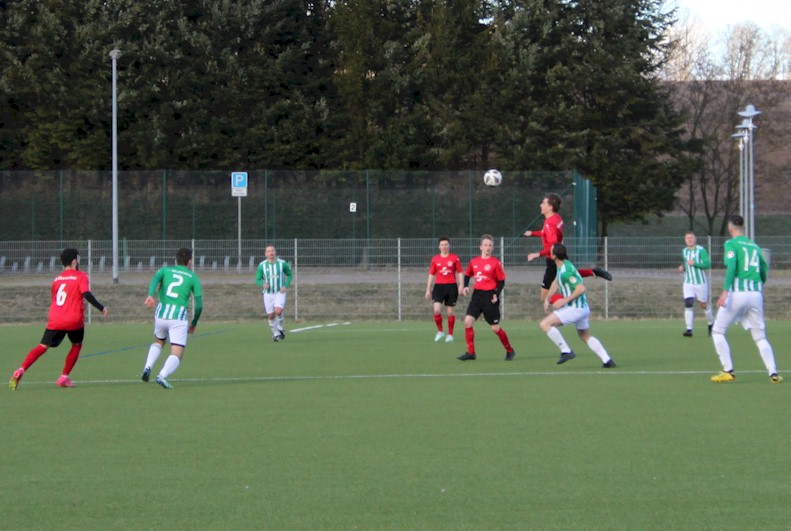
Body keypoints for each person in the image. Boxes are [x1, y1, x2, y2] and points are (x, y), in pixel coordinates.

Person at [9, 248, 109, 390]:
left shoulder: (57, 279)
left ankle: (21, 369)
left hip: (56, 319)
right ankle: (64, 377)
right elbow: (86, 294)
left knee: (42, 346)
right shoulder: (81, 276)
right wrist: (101, 308)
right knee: (76, 345)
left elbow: (57, 300)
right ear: (74, 261)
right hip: (73, 320)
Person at [710, 214, 781, 384]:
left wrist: (725, 291)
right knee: (760, 337)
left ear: (730, 228)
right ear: (743, 228)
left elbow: (732, 267)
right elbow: (763, 271)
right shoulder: (755, 246)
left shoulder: (731, 244)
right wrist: (758, 287)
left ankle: (728, 371)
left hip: (738, 294)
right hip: (756, 295)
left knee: (718, 331)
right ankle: (773, 373)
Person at [540, 244, 616, 368]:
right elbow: (556, 282)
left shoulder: (566, 272)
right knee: (585, 336)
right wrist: (547, 298)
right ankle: (607, 360)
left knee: (545, 324)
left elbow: (581, 288)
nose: (549, 252)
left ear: (554, 255)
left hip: (575, 308)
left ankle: (566, 351)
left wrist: (564, 300)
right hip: (582, 308)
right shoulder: (563, 265)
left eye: (551, 251)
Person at [525, 193, 612, 302]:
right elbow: (546, 233)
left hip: (553, 259)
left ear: (550, 207)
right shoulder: (556, 218)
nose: (541, 205)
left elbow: (553, 244)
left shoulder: (549, 223)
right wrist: (532, 233)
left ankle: (565, 306)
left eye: (544, 203)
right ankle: (594, 272)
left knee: (545, 296)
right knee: (570, 272)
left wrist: (536, 254)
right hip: (561, 254)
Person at [141, 247, 203, 390]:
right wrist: (194, 322)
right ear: (189, 261)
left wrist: (151, 294)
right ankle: (162, 376)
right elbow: (199, 305)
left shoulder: (165, 270)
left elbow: (154, 279)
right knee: (177, 351)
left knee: (159, 341)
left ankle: (147, 367)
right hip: (178, 316)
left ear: (176, 259)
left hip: (161, 313)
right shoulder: (192, 277)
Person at [457, 234, 515, 361]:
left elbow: (501, 281)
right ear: (480, 247)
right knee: (467, 322)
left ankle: (510, 350)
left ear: (493, 248)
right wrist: (465, 286)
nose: (488, 247)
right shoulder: (474, 261)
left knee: (495, 328)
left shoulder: (495, 263)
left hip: (490, 297)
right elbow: (467, 275)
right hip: (477, 296)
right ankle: (471, 353)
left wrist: (496, 294)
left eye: (490, 245)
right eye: (485, 245)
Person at [425, 236, 464, 343]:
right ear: (439, 246)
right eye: (442, 245)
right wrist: (428, 289)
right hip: (439, 287)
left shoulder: (454, 258)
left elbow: (460, 272)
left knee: (450, 312)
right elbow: (431, 274)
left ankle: (450, 334)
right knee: (436, 309)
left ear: (449, 245)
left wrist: (461, 285)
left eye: (446, 244)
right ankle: (440, 331)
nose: (444, 247)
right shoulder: (435, 259)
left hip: (451, 286)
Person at [678, 231, 714, 337]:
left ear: (695, 239)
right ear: (685, 240)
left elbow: (708, 264)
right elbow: (685, 262)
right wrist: (683, 267)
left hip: (700, 282)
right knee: (688, 303)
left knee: (704, 305)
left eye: (691, 238)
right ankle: (689, 329)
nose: (689, 240)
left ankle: (711, 323)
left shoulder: (701, 250)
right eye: (687, 238)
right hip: (688, 282)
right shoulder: (684, 251)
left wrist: (695, 263)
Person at [256, 244, 293, 342]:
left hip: (279, 292)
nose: (271, 252)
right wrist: (263, 284)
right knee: (271, 315)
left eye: (272, 250)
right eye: (268, 251)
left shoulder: (282, 264)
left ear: (275, 252)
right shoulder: (262, 265)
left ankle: (280, 327)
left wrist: (285, 285)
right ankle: (275, 333)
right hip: (268, 294)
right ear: (265, 254)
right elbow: (257, 279)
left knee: (278, 311)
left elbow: (290, 275)